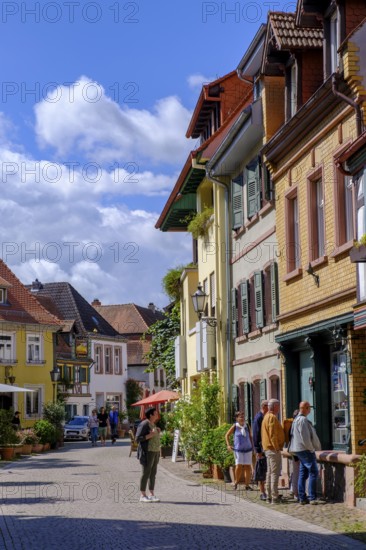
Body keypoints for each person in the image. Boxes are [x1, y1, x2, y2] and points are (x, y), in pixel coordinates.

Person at [290, 401, 322, 505]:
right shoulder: (302, 420)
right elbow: (305, 438)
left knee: (303, 474)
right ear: (305, 408)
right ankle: (312, 497)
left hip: (299, 450)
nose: (310, 410)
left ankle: (302, 498)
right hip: (305, 450)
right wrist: (311, 449)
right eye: (309, 408)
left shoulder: (296, 420)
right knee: (314, 472)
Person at [261, 398, 285, 504]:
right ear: (274, 407)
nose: (279, 408)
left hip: (268, 449)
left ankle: (269, 496)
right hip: (272, 449)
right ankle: (274, 496)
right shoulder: (271, 417)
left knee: (270, 472)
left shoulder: (266, 416)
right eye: (278, 406)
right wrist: (276, 447)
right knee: (274, 473)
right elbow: (272, 435)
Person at [136, 407, 161, 503]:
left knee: (153, 473)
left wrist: (157, 431)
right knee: (146, 472)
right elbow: (138, 438)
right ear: (151, 415)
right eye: (155, 413)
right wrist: (150, 435)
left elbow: (153, 434)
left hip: (155, 451)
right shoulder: (144, 424)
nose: (157, 415)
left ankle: (151, 494)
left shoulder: (153, 424)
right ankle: (142, 495)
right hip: (147, 452)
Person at [225, 411, 254, 490]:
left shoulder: (247, 426)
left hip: (248, 449)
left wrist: (252, 446)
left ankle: (247, 485)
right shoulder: (235, 426)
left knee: (247, 467)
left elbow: (250, 437)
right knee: (239, 466)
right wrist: (228, 445)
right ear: (237, 418)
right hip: (238, 450)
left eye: (243, 416)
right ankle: (236, 482)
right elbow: (227, 435)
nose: (242, 418)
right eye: (240, 417)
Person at [252, 400, 268, 500]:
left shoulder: (264, 416)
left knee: (265, 470)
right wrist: (258, 450)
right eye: (268, 406)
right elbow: (256, 434)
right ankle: (262, 492)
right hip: (261, 448)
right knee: (261, 470)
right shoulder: (259, 417)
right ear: (265, 407)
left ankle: (266, 491)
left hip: (264, 447)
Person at [288, 409, 300, 501]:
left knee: (294, 472)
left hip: (292, 450)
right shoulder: (296, 425)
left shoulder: (292, 425)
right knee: (297, 472)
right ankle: (296, 492)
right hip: (297, 451)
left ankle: (293, 489)